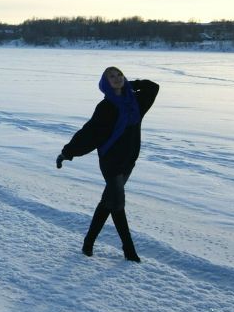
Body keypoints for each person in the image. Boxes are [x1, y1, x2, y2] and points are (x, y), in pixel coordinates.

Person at [56, 67, 159, 262]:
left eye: (119, 74)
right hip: (111, 161)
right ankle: (129, 251)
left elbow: (153, 87)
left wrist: (131, 84)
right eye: (111, 76)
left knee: (108, 202)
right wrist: (67, 152)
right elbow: (88, 132)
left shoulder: (135, 102)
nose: (117, 78)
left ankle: (88, 242)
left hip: (129, 160)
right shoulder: (106, 107)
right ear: (105, 83)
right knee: (118, 203)